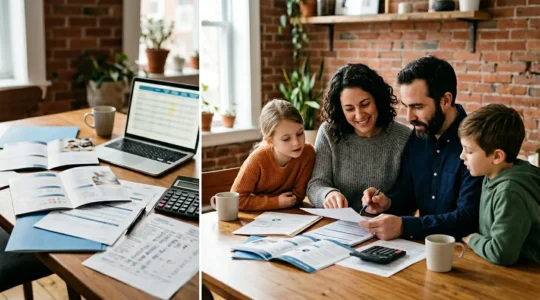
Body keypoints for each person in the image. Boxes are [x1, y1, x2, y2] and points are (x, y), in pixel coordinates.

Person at [360, 56, 482, 241]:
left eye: (417, 106)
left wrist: (404, 226)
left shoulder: (477, 144)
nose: (409, 117)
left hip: (464, 254)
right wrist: (386, 203)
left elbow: (467, 218)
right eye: (406, 106)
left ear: (445, 100)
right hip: (420, 249)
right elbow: (407, 195)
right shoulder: (418, 137)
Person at [307, 64, 411, 212]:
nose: (359, 115)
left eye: (365, 104)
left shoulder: (403, 137)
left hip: (386, 229)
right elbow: (316, 184)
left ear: (378, 99)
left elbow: (410, 196)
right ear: (340, 110)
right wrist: (328, 194)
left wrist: (388, 202)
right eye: (349, 109)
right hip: (337, 226)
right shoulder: (328, 133)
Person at [458, 104, 540, 266]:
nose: (462, 156)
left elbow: (501, 253)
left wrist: (473, 239)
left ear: (496, 156)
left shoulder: (509, 192)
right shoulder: (492, 176)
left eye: (469, 151)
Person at [231, 99, 315, 211]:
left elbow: (297, 196)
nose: (296, 142)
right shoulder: (257, 159)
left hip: (291, 215)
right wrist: (276, 202)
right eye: (286, 139)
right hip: (257, 219)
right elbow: (236, 200)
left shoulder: (308, 153)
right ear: (270, 141)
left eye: (300, 133)